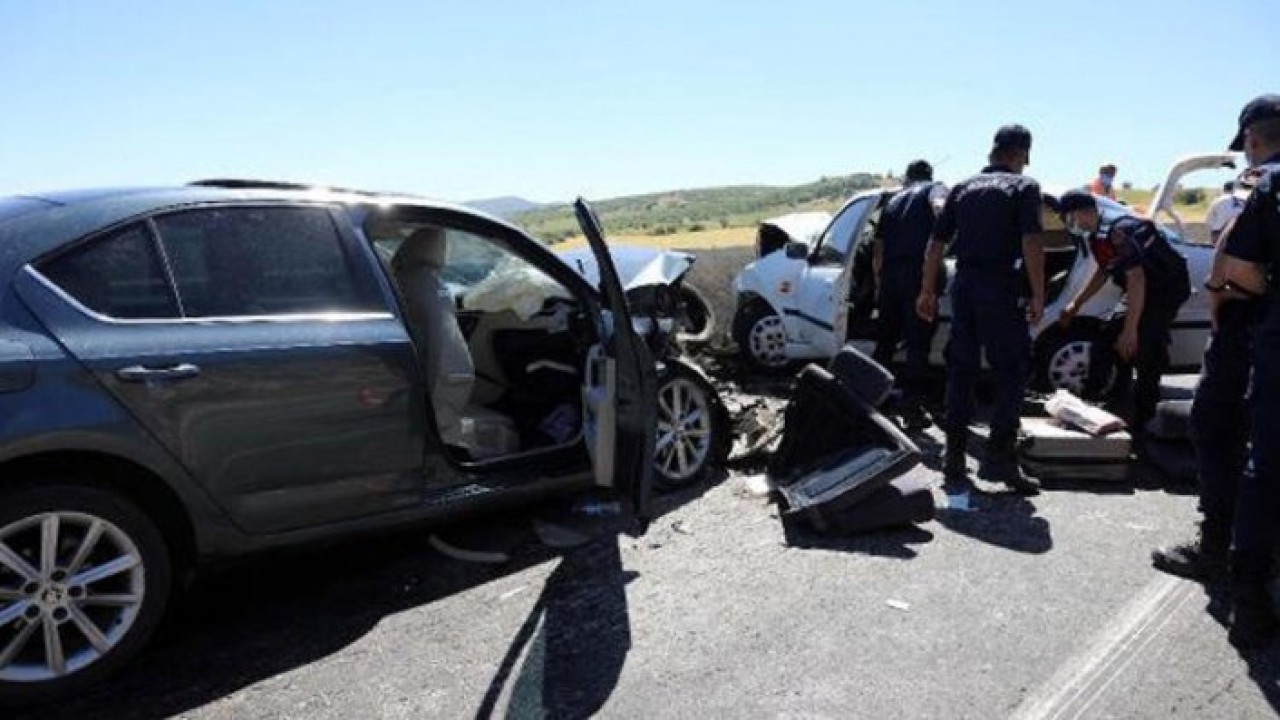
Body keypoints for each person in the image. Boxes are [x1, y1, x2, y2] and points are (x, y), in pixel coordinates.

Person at [917, 125, 1046, 495]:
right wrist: (1038, 294)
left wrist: (926, 290)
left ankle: (954, 459)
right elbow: (1032, 241)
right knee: (1012, 371)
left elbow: (935, 244)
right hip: (1000, 286)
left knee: (961, 371)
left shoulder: (962, 187)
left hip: (965, 287)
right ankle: (1000, 461)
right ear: (1021, 153)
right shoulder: (1024, 186)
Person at [1212, 93, 1280, 649]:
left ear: (1254, 140)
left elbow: (1239, 269)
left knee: (1267, 466)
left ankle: (1250, 597)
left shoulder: (1264, 189)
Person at [1057, 190, 1190, 458]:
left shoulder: (1119, 231)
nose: (1070, 224)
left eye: (1069, 218)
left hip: (1164, 289)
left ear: (1082, 212)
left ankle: (1145, 423)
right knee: (1108, 336)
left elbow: (1137, 280)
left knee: (1144, 344)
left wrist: (1131, 332)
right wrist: (1076, 304)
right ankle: (1113, 401)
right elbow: (1103, 270)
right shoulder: (1097, 235)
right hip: (1141, 287)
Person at [873, 159, 946, 428]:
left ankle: (874, 401)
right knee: (918, 341)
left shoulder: (892, 201)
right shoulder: (935, 189)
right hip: (920, 272)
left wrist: (880, 283)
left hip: (891, 274)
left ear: (908, 177)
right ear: (929, 175)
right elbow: (942, 212)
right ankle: (912, 408)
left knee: (886, 340)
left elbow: (878, 247)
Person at [1205, 180, 1245, 245]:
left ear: (1224, 189)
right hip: (1240, 233)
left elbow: (1209, 220)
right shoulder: (1243, 200)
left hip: (1220, 233)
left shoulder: (1217, 200)